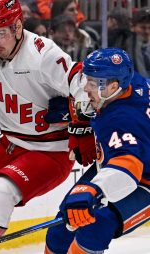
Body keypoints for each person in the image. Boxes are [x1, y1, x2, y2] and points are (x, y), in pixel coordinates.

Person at [0, 0, 96, 254]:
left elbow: (81, 82)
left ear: (18, 27)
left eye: (1, 33)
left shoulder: (43, 54)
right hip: (10, 144)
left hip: (50, 151)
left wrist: (82, 124)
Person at [45, 48, 150, 253]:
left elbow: (129, 166)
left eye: (93, 83)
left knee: (96, 226)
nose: (86, 88)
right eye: (88, 80)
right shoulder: (128, 83)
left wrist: (95, 189)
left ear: (113, 86)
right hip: (117, 163)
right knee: (61, 228)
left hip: (143, 180)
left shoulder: (122, 119)